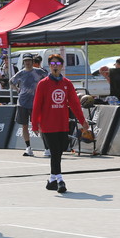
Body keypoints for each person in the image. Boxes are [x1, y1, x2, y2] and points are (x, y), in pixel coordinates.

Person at [31, 54, 91, 193]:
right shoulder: (43, 84)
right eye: (52, 63)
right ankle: (60, 180)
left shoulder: (67, 83)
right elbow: (37, 104)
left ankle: (52, 180)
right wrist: (35, 123)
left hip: (63, 123)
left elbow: (75, 104)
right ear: (49, 66)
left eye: (58, 63)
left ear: (62, 66)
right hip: (48, 124)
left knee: (60, 151)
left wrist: (82, 120)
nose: (55, 66)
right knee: (54, 152)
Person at [9, 53, 43, 156]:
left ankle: (47, 147)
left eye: (29, 60)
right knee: (24, 125)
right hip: (22, 103)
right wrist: (17, 89)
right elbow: (11, 82)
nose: (27, 62)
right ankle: (28, 147)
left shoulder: (39, 72)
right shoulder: (20, 73)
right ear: (23, 62)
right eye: (25, 61)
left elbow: (48, 80)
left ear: (32, 61)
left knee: (39, 125)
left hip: (36, 103)